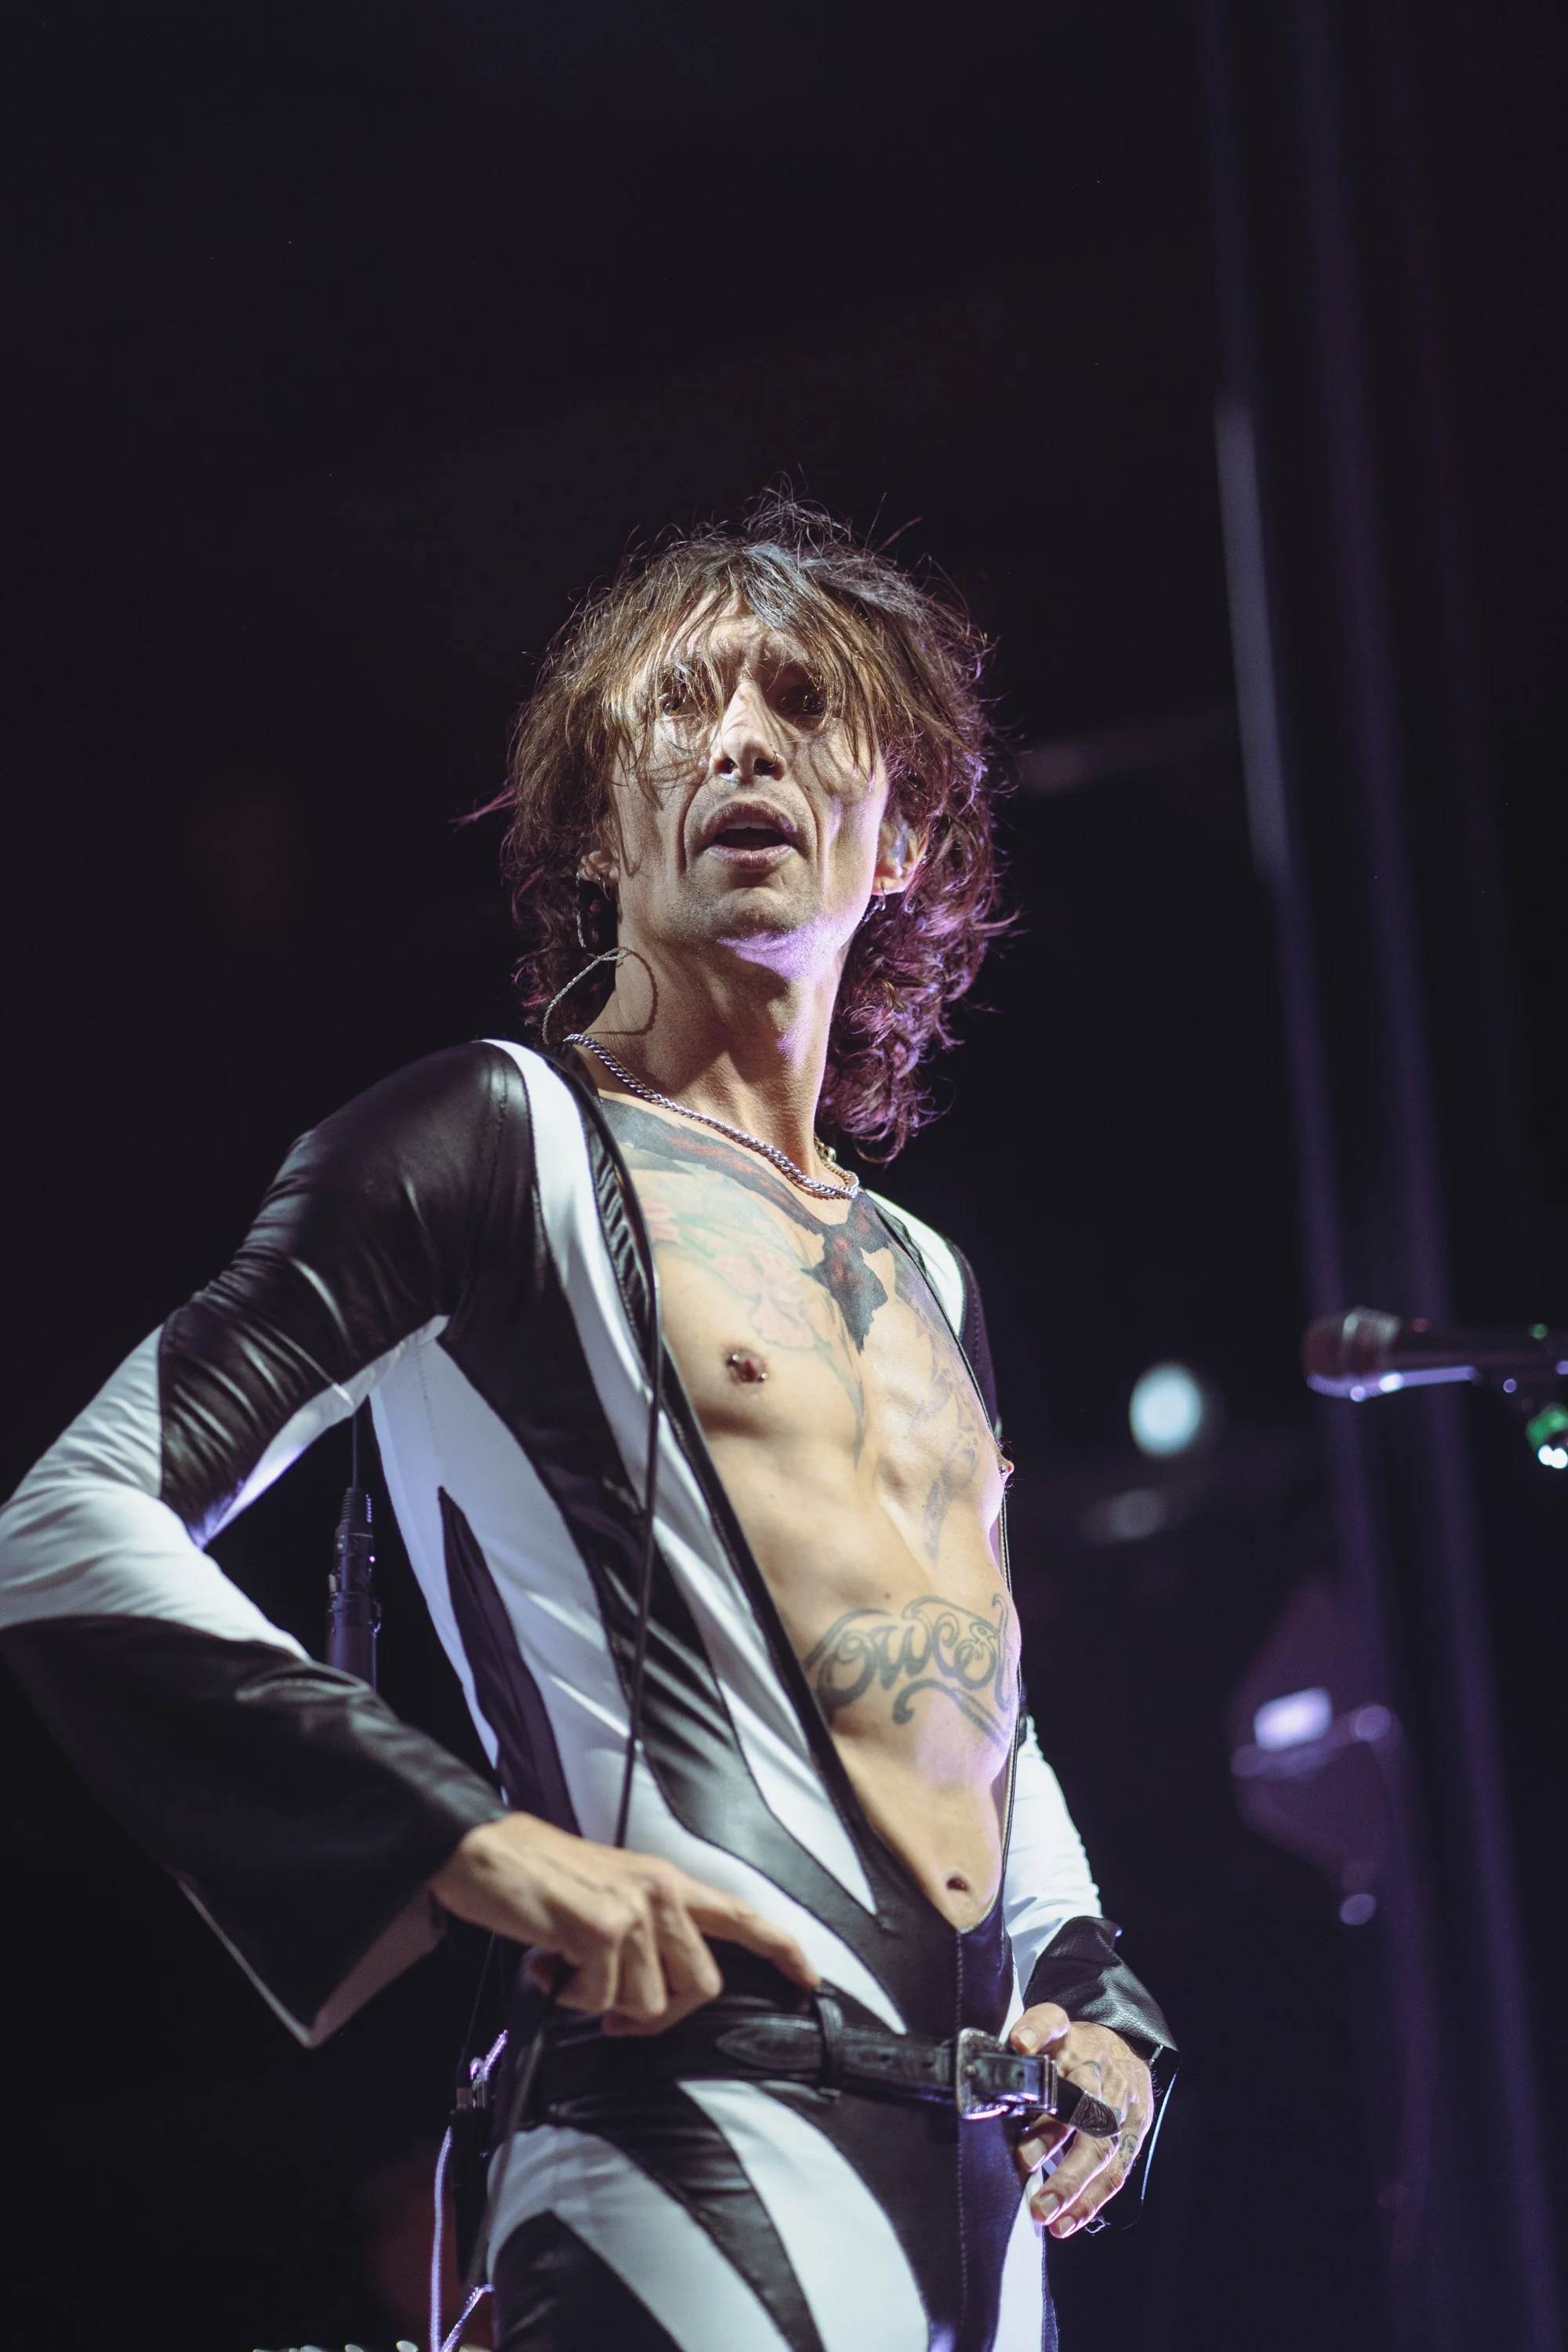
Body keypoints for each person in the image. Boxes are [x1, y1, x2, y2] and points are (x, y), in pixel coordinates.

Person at [0, 498, 1173, 2351]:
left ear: (905, 839)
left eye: (803, 703)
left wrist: (1093, 1991)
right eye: (682, 708)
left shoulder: (925, 1273)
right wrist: (462, 1838)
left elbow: (959, 1694)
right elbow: (70, 1525)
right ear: (599, 834)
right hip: (683, 2137)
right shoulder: (490, 1142)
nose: (741, 743)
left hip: (981, 2195)